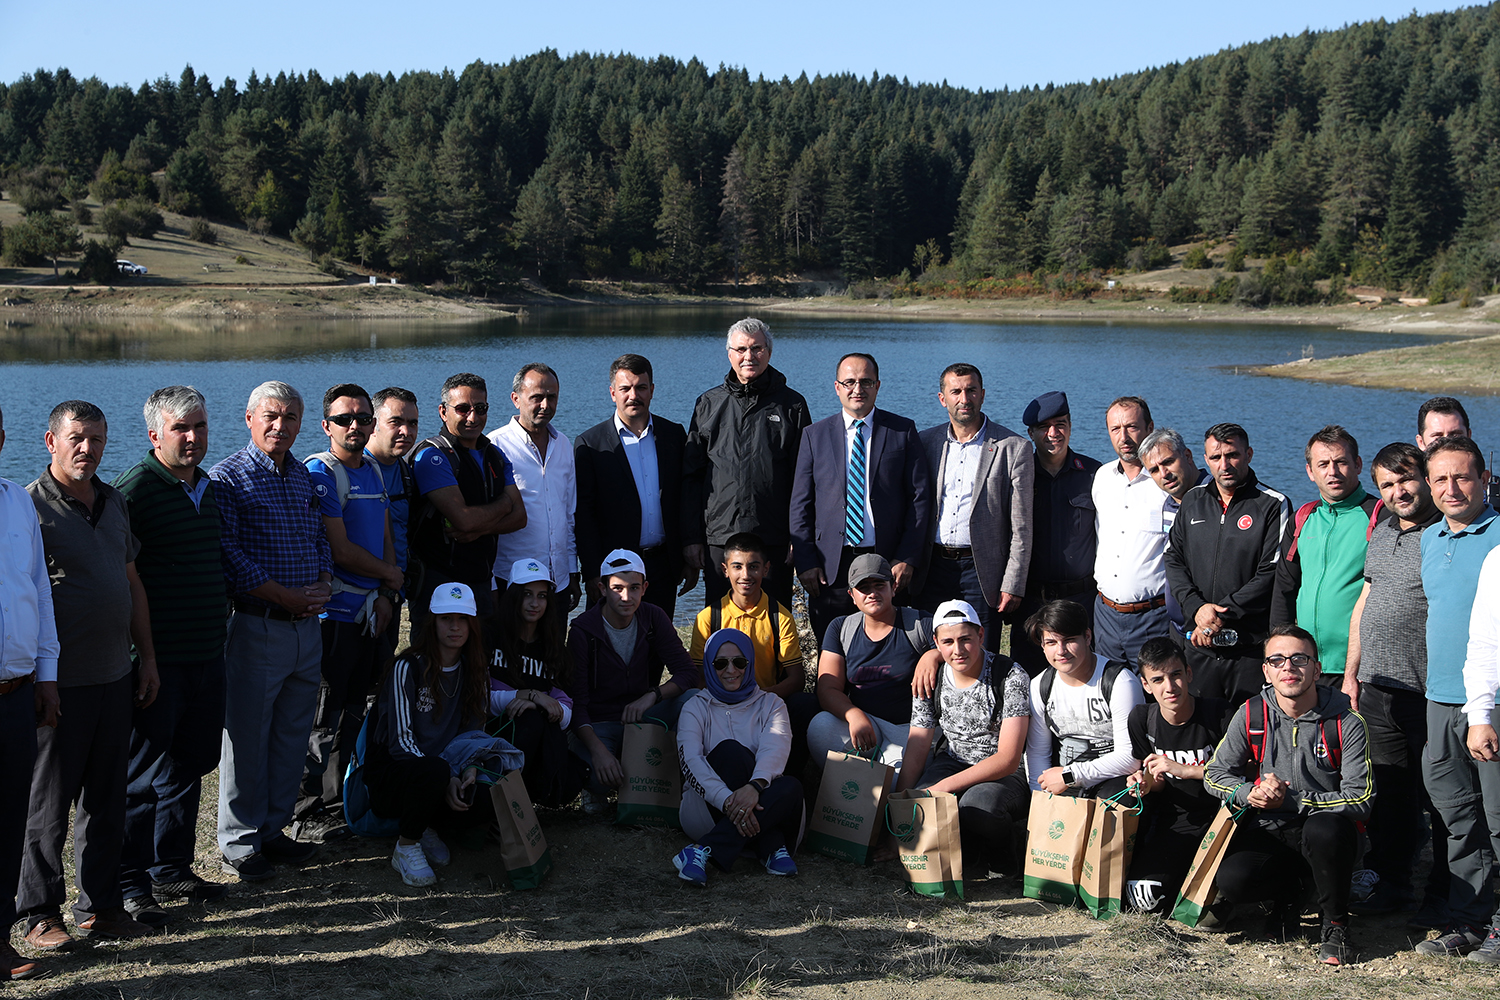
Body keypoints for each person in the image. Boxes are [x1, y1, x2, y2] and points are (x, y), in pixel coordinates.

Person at [20, 400, 159, 947]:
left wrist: (145, 657)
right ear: (50, 441)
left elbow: (131, 583)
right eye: (76, 438)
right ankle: (38, 913)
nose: (87, 449)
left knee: (106, 799)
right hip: (59, 682)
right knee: (48, 805)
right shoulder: (28, 508)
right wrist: (38, 678)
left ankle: (100, 906)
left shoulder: (113, 500)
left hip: (112, 676)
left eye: (97, 439)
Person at [114, 386, 230, 927]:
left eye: (200, 426)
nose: (193, 437)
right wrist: (145, 659)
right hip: (160, 663)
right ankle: (130, 883)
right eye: (181, 428)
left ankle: (172, 866)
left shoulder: (206, 486)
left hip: (209, 654)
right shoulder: (133, 491)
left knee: (191, 764)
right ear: (154, 433)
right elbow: (122, 582)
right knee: (141, 776)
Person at [210, 381, 332, 882]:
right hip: (260, 627)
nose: (281, 426)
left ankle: (274, 830)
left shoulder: (301, 475)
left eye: (291, 418)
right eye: (271, 416)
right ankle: (239, 842)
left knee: (291, 736)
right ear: (249, 418)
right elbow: (228, 553)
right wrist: (283, 595)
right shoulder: (227, 479)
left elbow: (319, 536)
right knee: (247, 739)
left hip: (307, 629)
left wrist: (324, 580)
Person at [1205, 625, 1372, 966]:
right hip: (1271, 829)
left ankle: (1336, 923)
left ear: (1317, 668)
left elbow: (1360, 799)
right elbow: (1213, 773)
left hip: (1330, 832)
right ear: (1266, 670)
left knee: (1323, 831)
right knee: (1234, 880)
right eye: (1277, 660)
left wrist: (1295, 801)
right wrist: (1249, 793)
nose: (1289, 667)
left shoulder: (1347, 721)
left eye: (1299, 659)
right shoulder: (1251, 713)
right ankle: (1291, 895)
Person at [1344, 443, 1450, 923]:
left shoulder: (1447, 534)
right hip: (1377, 687)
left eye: (1405, 479)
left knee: (1442, 797)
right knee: (1389, 793)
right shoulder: (1383, 531)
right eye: (1386, 484)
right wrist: (1351, 675)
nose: (1398, 491)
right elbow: (1366, 602)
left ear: (1425, 476)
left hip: (1430, 690)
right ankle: (1392, 885)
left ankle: (1446, 894)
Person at [293, 383, 402, 844]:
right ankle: (303, 812)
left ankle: (338, 803)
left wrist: (386, 588)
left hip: (371, 612)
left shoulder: (375, 471)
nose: (354, 426)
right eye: (344, 419)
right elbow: (339, 550)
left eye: (362, 418)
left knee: (356, 710)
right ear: (326, 426)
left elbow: (384, 538)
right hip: (334, 617)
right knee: (323, 715)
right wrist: (391, 577)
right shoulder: (322, 471)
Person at [1413, 436, 1500, 959]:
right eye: (1440, 479)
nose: (1451, 488)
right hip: (1439, 699)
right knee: (1456, 817)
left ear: (1484, 477)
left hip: (1489, 702)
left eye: (1462, 476)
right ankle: (1469, 921)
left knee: (1499, 817)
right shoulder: (1429, 538)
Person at [790, 352, 930, 640]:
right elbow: (800, 505)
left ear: (878, 385)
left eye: (866, 382)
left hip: (887, 560)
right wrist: (805, 562)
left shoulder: (901, 431)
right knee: (834, 645)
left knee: (892, 642)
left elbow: (920, 499)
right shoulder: (814, 435)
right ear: (837, 386)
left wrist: (908, 557)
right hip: (831, 567)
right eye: (850, 382)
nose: (858, 389)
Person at [683, 318, 811, 612]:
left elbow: (804, 479)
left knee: (774, 624)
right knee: (721, 622)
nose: (748, 357)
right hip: (720, 536)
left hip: (774, 538)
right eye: (741, 349)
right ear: (729, 353)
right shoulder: (708, 404)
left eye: (756, 348)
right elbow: (691, 478)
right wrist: (692, 538)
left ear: (769, 352)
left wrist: (799, 537)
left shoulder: (793, 405)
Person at [366, 583, 490, 888]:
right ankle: (407, 845)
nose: (455, 627)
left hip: (443, 771)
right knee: (432, 770)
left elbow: (472, 733)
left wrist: (469, 769)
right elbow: (400, 742)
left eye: (462, 619)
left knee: (486, 791)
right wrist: (448, 775)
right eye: (446, 619)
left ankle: (429, 824)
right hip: (397, 773)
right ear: (432, 622)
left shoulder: (475, 669)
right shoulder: (407, 667)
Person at [896, 600, 1030, 877]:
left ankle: (1003, 857)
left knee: (977, 805)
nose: (957, 650)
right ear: (935, 643)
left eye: (966, 640)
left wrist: (945, 786)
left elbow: (1007, 759)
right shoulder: (930, 676)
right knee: (924, 805)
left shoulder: (1010, 675)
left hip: (1005, 774)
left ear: (981, 635)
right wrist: (901, 805)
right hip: (954, 760)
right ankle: (967, 855)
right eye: (947, 642)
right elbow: (919, 744)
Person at [1163, 422, 1290, 704]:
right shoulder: (1192, 500)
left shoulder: (1273, 504)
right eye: (1216, 457)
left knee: (1250, 740)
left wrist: (1219, 615)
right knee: (1202, 737)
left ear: (1249, 454)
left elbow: (1271, 572)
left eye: (1232, 455)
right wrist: (1197, 610)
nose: (1225, 464)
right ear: (1205, 459)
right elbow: (1173, 558)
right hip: (1198, 646)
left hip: (1248, 650)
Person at [566, 549, 700, 813]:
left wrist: (653, 695)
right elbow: (577, 705)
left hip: (641, 715)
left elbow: (687, 674)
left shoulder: (653, 617)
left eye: (634, 588)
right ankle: (598, 785)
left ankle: (684, 777)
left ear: (645, 587)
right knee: (597, 777)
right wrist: (598, 752)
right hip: (599, 722)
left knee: (693, 699)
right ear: (602, 588)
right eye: (617, 588)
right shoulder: (582, 630)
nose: (626, 597)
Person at [914, 362, 1033, 653]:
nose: (964, 399)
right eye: (956, 391)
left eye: (971, 390)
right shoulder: (925, 442)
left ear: (982, 394)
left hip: (982, 572)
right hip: (933, 568)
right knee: (931, 653)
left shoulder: (1013, 447)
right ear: (943, 398)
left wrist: (1013, 583)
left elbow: (1022, 526)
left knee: (983, 653)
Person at [672, 628, 802, 885]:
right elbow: (692, 763)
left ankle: (701, 851)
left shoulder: (772, 704)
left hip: (761, 797)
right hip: (708, 809)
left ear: (750, 663)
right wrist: (728, 801)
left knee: (791, 786)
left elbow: (775, 748)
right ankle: (772, 846)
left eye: (739, 662)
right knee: (730, 752)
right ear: (710, 666)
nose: (731, 670)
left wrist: (754, 787)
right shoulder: (695, 706)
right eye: (721, 663)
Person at [0, 404, 57, 981]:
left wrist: (46, 676)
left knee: (10, 818)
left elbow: (38, 593)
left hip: (15, 692)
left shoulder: (17, 500)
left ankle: (0, 938)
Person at [689, 532, 815, 773]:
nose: (745, 575)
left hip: (766, 703)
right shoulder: (708, 617)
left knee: (805, 704)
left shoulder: (780, 617)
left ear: (766, 569)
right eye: (737, 567)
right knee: (689, 703)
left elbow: (797, 679)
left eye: (754, 567)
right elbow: (698, 676)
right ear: (725, 570)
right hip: (720, 704)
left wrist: (759, 698)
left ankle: (788, 773)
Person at [574, 354, 689, 616]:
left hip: (662, 567)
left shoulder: (674, 435)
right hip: (614, 570)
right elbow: (584, 514)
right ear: (613, 393)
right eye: (625, 388)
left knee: (655, 645)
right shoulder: (590, 444)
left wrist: (685, 558)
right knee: (610, 650)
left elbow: (683, 499)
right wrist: (592, 572)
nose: (633, 395)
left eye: (641, 387)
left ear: (652, 391)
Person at [408, 373, 524, 628]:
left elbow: (520, 516)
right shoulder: (432, 456)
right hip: (437, 582)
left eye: (480, 408)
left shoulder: (495, 454)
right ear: (443, 411)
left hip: (481, 580)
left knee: (478, 661)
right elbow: (463, 519)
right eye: (462, 409)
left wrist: (482, 526)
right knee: (433, 662)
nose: (473, 417)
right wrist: (503, 505)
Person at [1123, 639, 1228, 914]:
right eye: (1157, 679)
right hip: (1178, 819)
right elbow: (1156, 778)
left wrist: (1187, 770)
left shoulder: (1220, 714)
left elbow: (1246, 774)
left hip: (1224, 818)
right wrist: (1143, 783)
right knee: (1143, 899)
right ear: (1146, 685)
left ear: (1188, 673)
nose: (1169, 687)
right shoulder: (1142, 719)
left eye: (1176, 675)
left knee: (1225, 895)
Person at [806, 554, 935, 771]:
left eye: (879, 585)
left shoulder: (920, 624)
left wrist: (934, 655)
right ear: (852, 595)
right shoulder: (840, 628)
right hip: (864, 725)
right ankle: (857, 787)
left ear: (893, 588)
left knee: (894, 782)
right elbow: (828, 688)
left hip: (908, 730)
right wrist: (853, 714)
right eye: (863, 588)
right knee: (820, 728)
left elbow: (963, 650)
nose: (872, 593)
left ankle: (869, 779)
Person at [1271, 426, 1380, 680]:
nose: (1332, 472)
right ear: (1310, 471)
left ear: (1358, 464)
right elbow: (1285, 589)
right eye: (1323, 464)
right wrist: (1279, 652)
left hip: (1358, 668)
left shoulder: (1379, 516)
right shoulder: (1303, 518)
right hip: (1306, 665)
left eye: (1341, 462)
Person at [1010, 391, 1101, 676]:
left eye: (1061, 424)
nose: (1054, 433)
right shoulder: (1017, 475)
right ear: (1030, 433)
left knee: (1083, 677)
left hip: (1082, 598)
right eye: (1044, 427)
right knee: (1028, 679)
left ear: (1071, 426)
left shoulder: (1094, 474)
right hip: (1031, 601)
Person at [1023, 600, 1144, 799]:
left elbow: (1129, 758)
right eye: (1051, 643)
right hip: (1061, 779)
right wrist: (1041, 802)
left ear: (1087, 637)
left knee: (1121, 799)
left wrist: (1071, 775)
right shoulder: (1039, 686)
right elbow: (1038, 754)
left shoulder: (1121, 682)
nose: (1061, 651)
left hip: (1110, 779)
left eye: (1069, 640)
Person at [488, 558, 584, 808]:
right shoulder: (490, 636)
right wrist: (526, 695)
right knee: (529, 722)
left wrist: (536, 703)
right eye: (527, 594)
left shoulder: (553, 647)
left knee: (572, 780)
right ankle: (502, 800)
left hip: (538, 732)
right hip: (492, 731)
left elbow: (565, 714)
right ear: (513, 596)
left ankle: (527, 797)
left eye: (542, 596)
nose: (534, 603)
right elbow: (478, 698)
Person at [488, 364, 579, 606]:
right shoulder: (494, 447)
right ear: (516, 399)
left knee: (554, 644)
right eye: (537, 397)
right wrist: (491, 583)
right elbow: (486, 523)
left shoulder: (563, 444)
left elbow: (568, 514)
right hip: (512, 581)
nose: (545, 405)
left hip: (556, 580)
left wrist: (571, 570)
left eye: (552, 397)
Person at [1091, 396, 1172, 666]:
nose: (1123, 436)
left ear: (1150, 428)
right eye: (1115, 429)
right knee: (1110, 694)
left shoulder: (1168, 483)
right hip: (1105, 616)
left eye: (1132, 427)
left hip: (1154, 616)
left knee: (1155, 696)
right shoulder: (1102, 478)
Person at [1138, 427, 1210, 637]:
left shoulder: (1214, 496)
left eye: (1168, 462)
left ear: (1187, 455)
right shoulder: (1168, 504)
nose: (1164, 474)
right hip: (1177, 628)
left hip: (1207, 626)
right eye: (1154, 470)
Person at [366, 385, 421, 624]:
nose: (406, 431)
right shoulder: (354, 471)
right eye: (396, 422)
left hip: (394, 593)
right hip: (358, 597)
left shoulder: (405, 471)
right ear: (373, 424)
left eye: (413, 423)